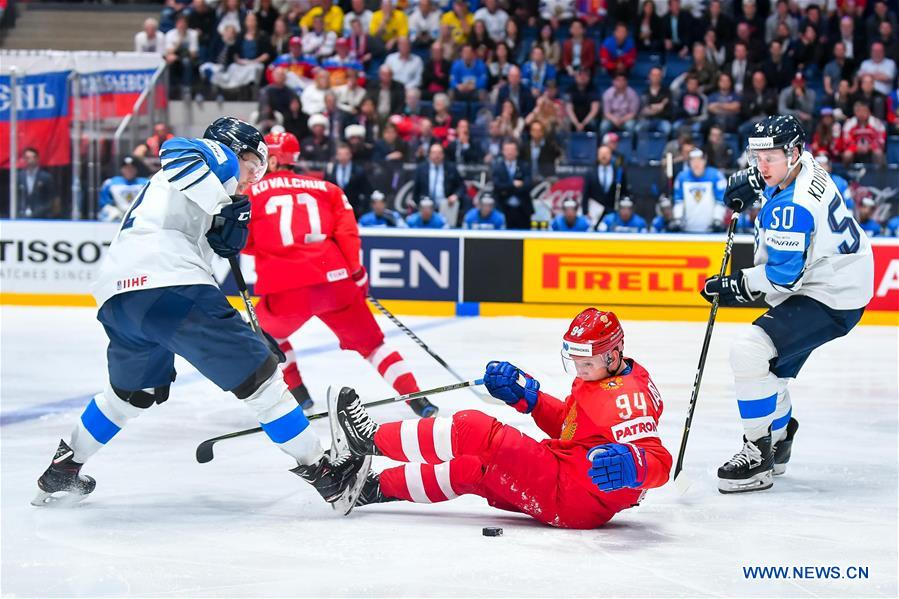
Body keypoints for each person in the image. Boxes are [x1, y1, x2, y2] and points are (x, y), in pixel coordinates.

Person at [31, 118, 367, 509]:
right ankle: (327, 472)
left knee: (129, 394)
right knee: (262, 382)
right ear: (234, 149)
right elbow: (174, 149)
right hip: (167, 282)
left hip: (119, 299)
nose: (252, 178)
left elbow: (207, 269)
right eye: (253, 165)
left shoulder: (182, 196)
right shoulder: (214, 156)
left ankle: (65, 467)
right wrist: (224, 200)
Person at [328, 308, 672, 529]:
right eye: (575, 360)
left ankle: (367, 438)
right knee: (471, 470)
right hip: (570, 488)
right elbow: (573, 426)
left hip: (572, 493)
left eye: (587, 362)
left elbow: (660, 461)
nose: (580, 370)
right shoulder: (601, 377)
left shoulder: (629, 396)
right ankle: (371, 489)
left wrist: (635, 463)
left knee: (476, 430)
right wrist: (529, 397)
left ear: (613, 354)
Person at [702, 115, 873, 494]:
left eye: (769, 158)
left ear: (794, 153)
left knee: (749, 352)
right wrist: (757, 182)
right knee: (769, 369)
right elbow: (777, 182)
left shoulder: (793, 210)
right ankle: (778, 441)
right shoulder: (803, 166)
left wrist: (737, 284)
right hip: (840, 275)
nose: (761, 166)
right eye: (756, 157)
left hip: (830, 294)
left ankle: (758, 455)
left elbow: (782, 279)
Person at [245, 132, 437, 418]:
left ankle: (299, 394)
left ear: (272, 160)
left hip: (287, 288)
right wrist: (357, 274)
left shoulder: (250, 191)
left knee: (265, 335)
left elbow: (244, 240)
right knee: (374, 346)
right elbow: (347, 233)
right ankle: (417, 399)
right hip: (334, 280)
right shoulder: (327, 188)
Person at [413, 143, 467, 227]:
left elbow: (461, 186)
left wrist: (455, 196)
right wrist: (420, 205)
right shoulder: (421, 169)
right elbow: (415, 192)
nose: (436, 156)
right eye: (434, 153)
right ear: (429, 154)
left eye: (439, 153)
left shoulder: (451, 168)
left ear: (443, 155)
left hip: (447, 206)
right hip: (426, 207)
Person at [672, 149, 726, 233]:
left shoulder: (716, 176)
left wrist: (717, 220)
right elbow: (679, 201)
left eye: (699, 159)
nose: (696, 163)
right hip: (686, 230)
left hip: (711, 231)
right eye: (693, 160)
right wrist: (677, 219)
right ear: (689, 162)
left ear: (704, 160)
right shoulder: (681, 177)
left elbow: (720, 201)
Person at [491, 139, 532, 230]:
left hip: (523, 209)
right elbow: (497, 186)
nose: (509, 152)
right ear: (503, 152)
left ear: (517, 152)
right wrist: (513, 185)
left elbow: (528, 185)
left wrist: (507, 188)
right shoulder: (497, 167)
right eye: (507, 150)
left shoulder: (524, 166)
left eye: (512, 150)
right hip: (503, 207)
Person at [325, 142, 372, 218]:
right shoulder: (331, 170)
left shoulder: (358, 171)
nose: (343, 157)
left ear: (350, 155)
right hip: (335, 209)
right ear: (336, 156)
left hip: (354, 210)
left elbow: (366, 191)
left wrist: (361, 209)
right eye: (340, 154)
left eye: (346, 154)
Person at [98, 156, 150, 223]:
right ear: (121, 169)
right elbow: (104, 203)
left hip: (139, 215)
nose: (129, 170)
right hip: (118, 215)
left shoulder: (146, 183)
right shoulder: (110, 183)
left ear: (136, 169)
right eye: (126, 168)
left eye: (132, 168)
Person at [15, 147, 59, 219]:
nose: (29, 160)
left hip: (42, 217)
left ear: (37, 159)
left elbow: (51, 199)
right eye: (27, 157)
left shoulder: (46, 177)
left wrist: (39, 212)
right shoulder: (19, 177)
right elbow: (16, 197)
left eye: (32, 157)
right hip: (22, 216)